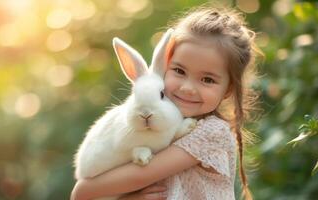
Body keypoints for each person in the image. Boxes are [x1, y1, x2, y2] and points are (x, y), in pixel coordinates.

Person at [71, 5, 262, 200]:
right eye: (179, 71)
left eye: (207, 80)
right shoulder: (152, 123)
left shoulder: (213, 133)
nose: (188, 88)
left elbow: (84, 190)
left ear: (228, 90)